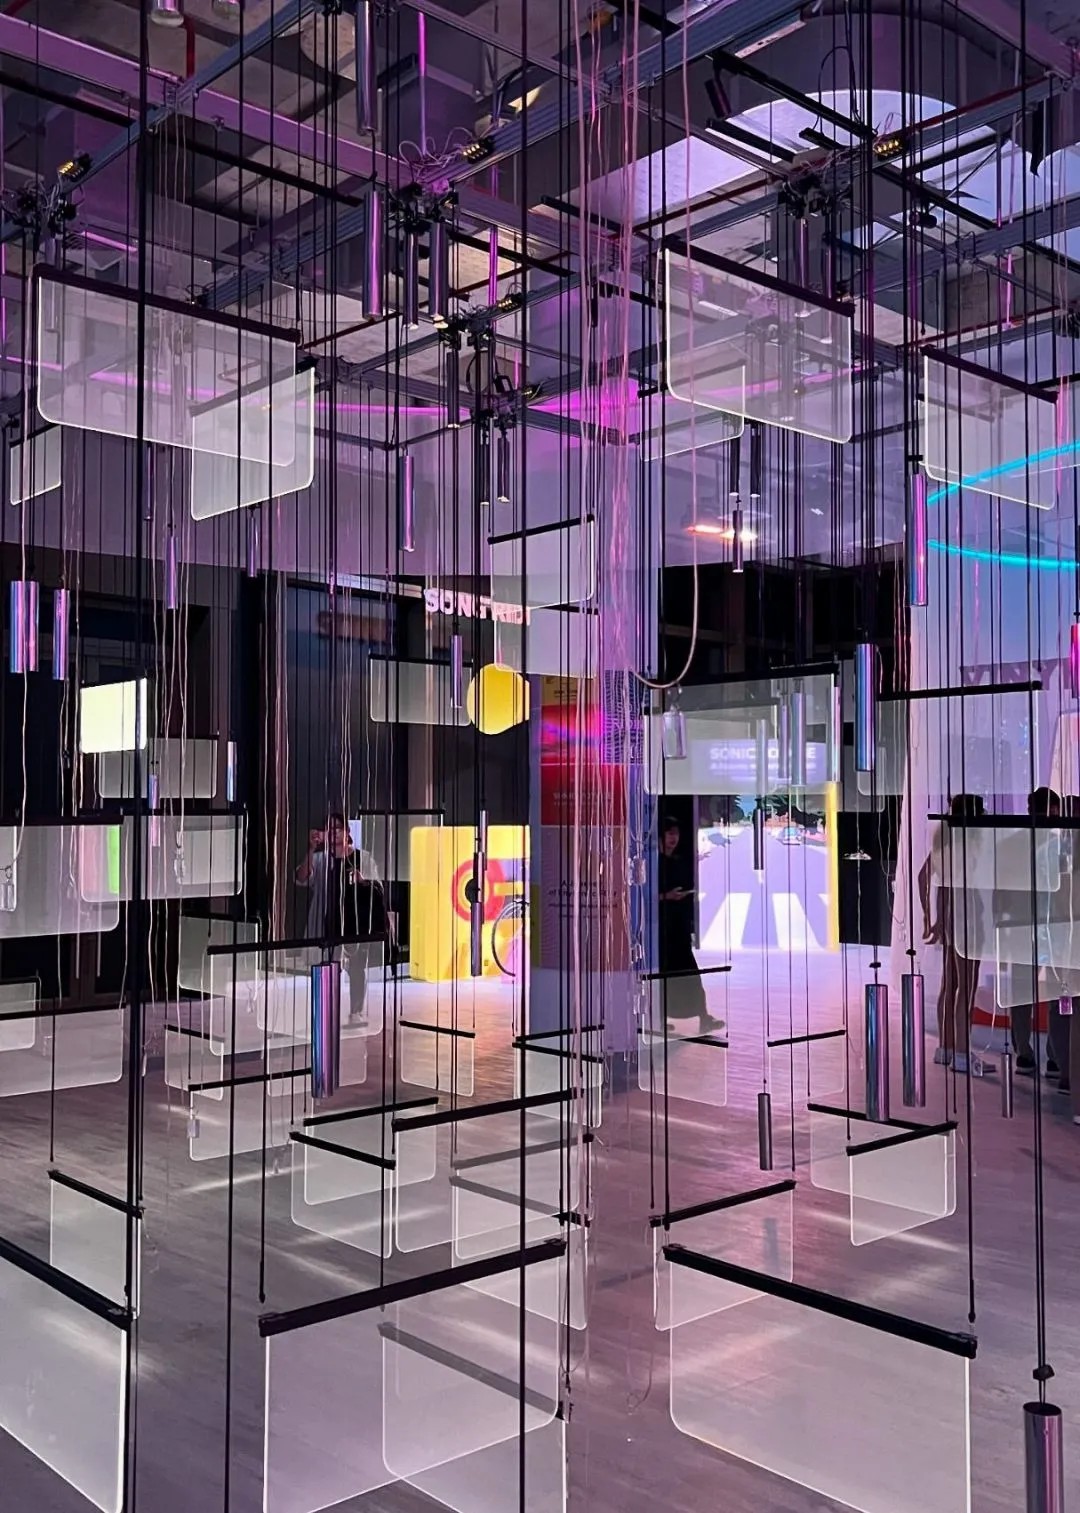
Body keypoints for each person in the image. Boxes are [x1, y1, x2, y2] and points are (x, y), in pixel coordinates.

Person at [296, 811, 389, 1026]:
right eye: (329, 829)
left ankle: (356, 1011)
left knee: (356, 968)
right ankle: (325, 1010)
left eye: (337, 828)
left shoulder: (362, 858)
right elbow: (301, 878)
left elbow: (378, 887)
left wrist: (362, 880)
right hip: (327, 921)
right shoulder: (320, 859)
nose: (333, 833)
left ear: (347, 832)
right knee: (326, 966)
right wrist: (311, 849)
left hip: (354, 922)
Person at [919, 793, 987, 1074]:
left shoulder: (944, 842)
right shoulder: (968, 843)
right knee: (965, 986)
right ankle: (961, 1052)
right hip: (968, 914)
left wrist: (930, 917)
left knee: (949, 984)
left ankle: (945, 1048)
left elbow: (924, 876)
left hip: (950, 916)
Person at [1010, 787, 1062, 1078]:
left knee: (1031, 992)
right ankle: (1045, 1053)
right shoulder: (1053, 845)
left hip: (1038, 924)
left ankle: (1034, 1052)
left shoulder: (1022, 843)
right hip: (1038, 925)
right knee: (1042, 991)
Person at [658, 817, 724, 1036]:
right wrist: (666, 896)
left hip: (679, 927)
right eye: (669, 833)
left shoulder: (678, 861)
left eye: (676, 834)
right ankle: (660, 1018)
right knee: (664, 976)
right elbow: (645, 897)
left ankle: (704, 1018)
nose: (673, 838)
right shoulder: (655, 863)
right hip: (662, 930)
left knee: (691, 976)